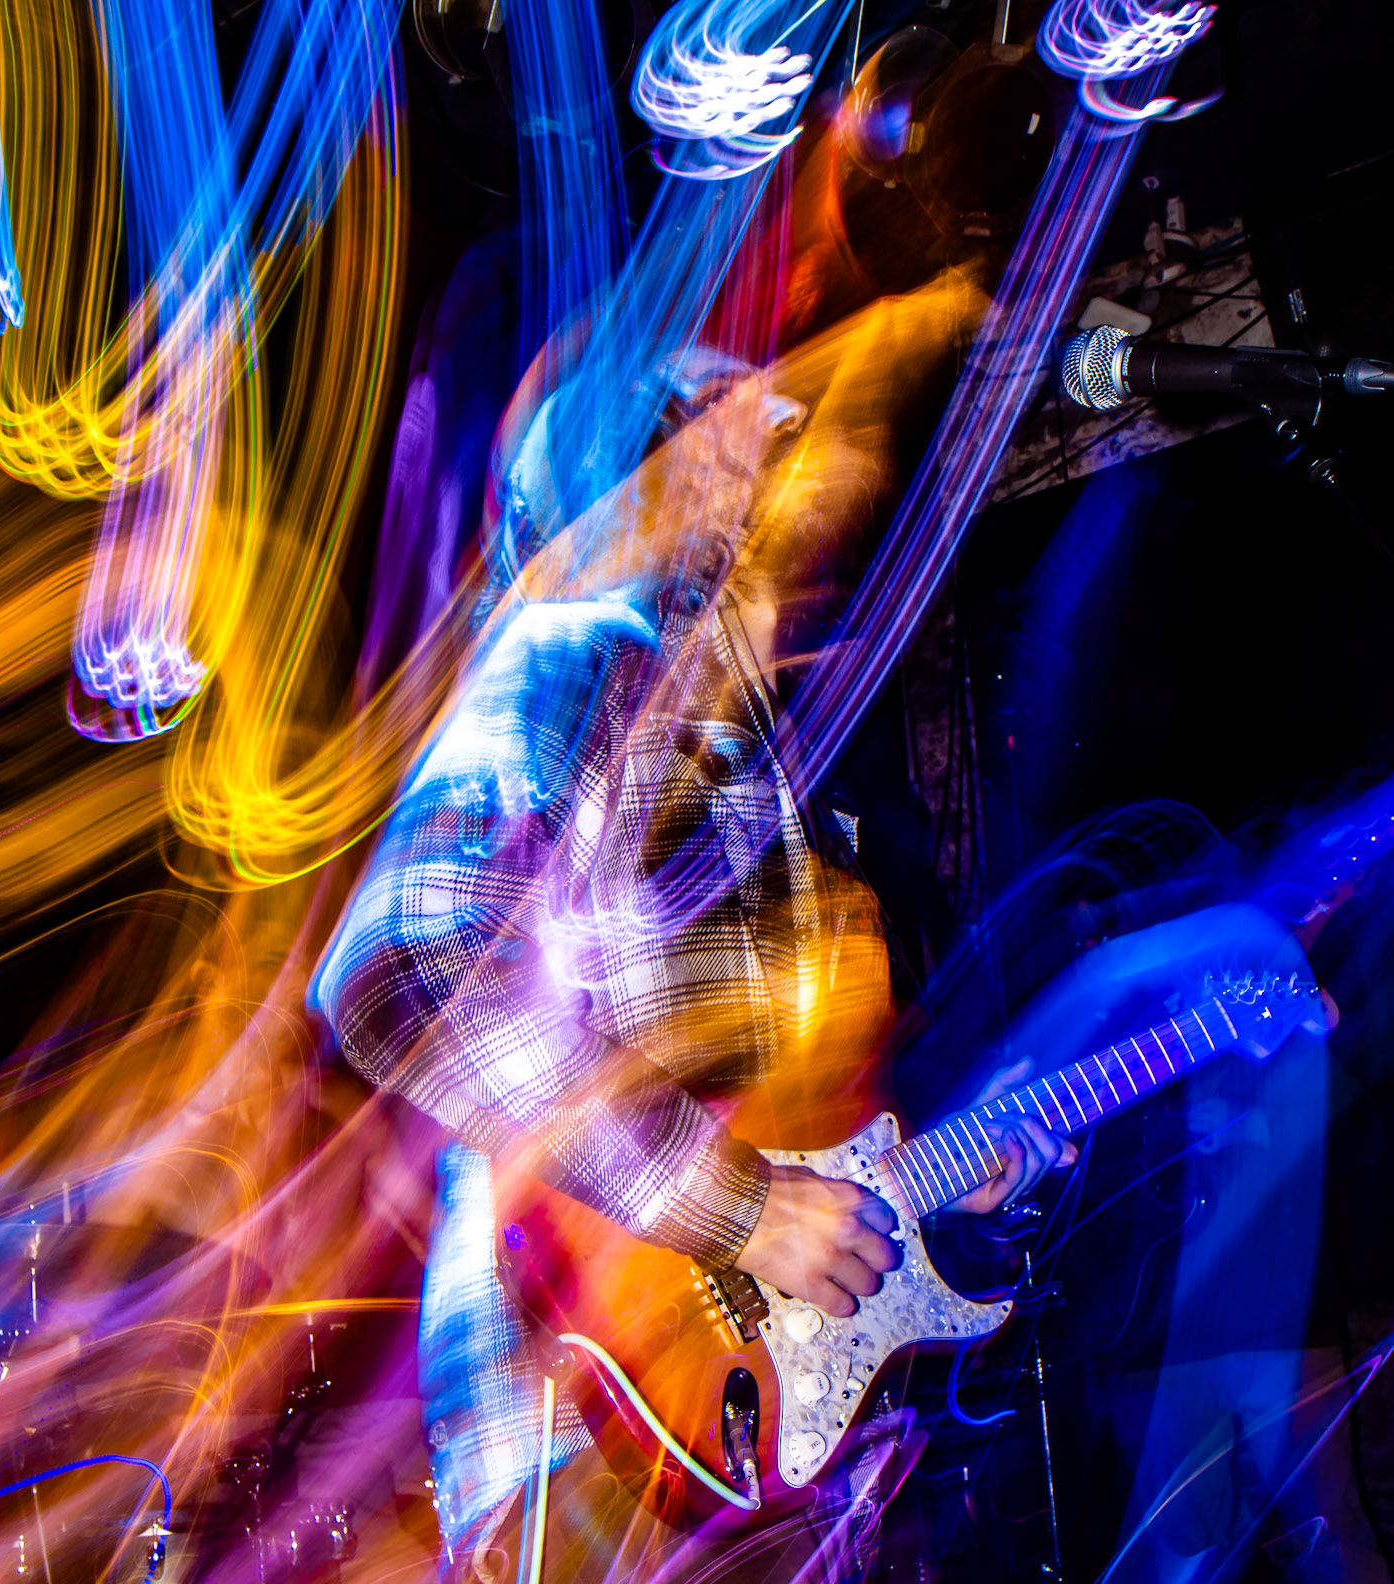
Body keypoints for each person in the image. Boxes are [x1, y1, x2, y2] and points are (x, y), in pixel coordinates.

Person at [311, 307, 1074, 1577]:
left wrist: (946, 1177)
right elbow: (405, 971)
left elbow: (798, 1127)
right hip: (591, 1442)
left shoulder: (759, 771)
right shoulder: (585, 660)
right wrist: (741, 1209)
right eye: (722, 414)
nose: (785, 424)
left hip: (764, 1455)